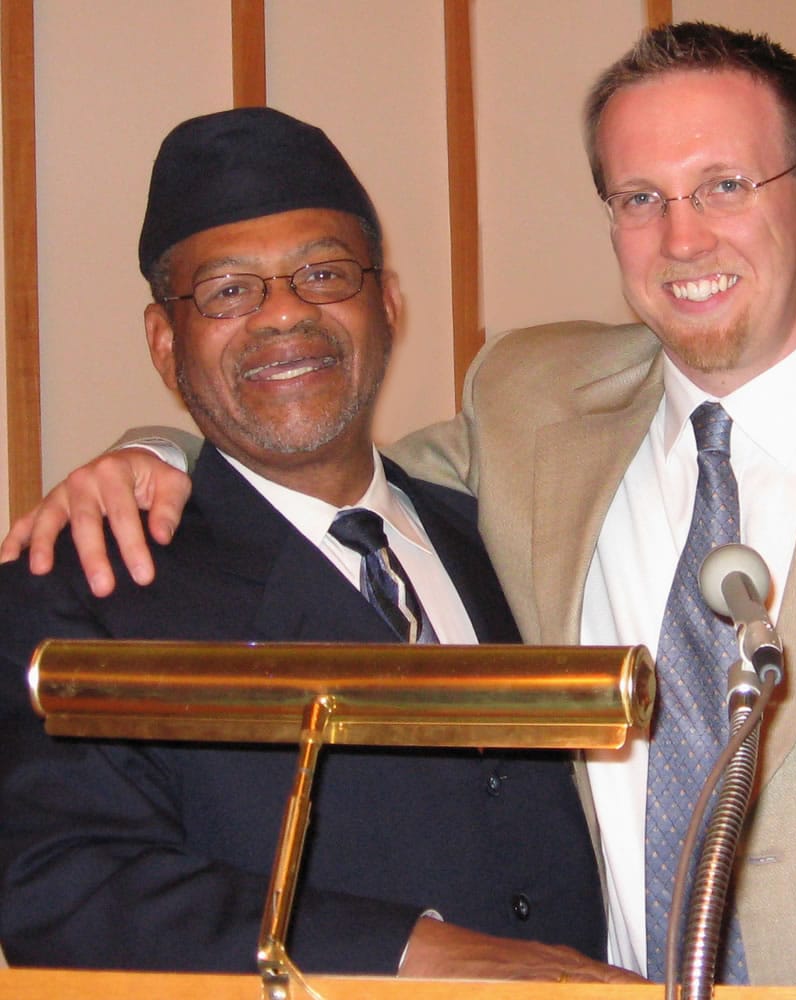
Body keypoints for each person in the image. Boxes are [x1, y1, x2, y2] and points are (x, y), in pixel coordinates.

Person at [6, 21, 796, 999]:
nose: (683, 236)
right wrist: (149, 451)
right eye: (639, 198)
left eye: (723, 185)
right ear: (165, 343)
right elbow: (60, 879)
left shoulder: (467, 519)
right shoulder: (531, 424)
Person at [0, 106, 642, 984]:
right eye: (228, 290)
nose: (284, 316)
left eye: (324, 273)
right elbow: (64, 890)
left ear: (386, 302)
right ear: (164, 343)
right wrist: (418, 952)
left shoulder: (493, 531)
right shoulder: (89, 586)